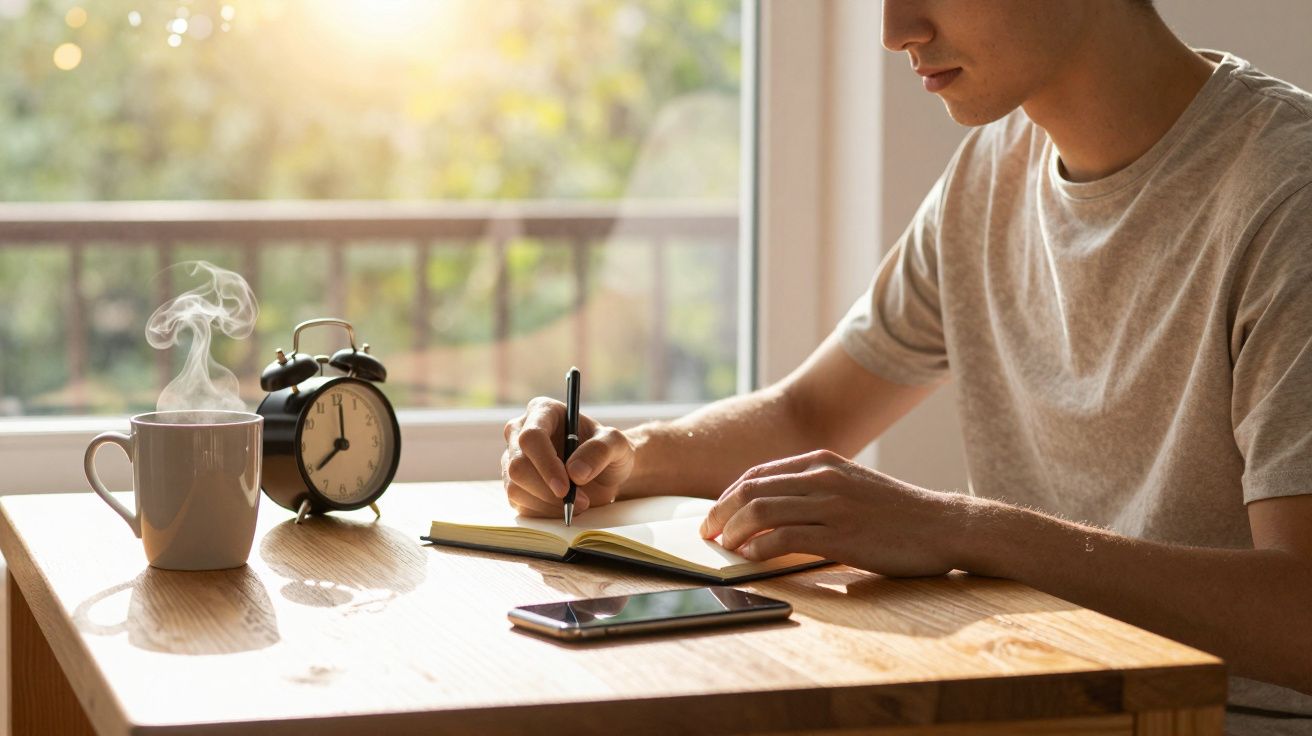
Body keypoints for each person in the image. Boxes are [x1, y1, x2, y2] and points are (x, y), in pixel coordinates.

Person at [500, 1, 1312, 731]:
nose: (896, 31)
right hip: (1037, 697)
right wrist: (624, 456)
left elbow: (1300, 615)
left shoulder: (1287, 195)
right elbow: (810, 416)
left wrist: (960, 528)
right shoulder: (992, 171)